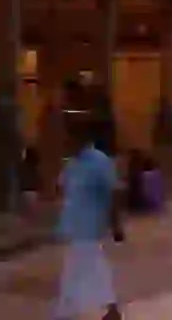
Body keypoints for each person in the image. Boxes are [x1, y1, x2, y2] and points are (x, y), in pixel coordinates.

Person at [54, 117, 125, 320]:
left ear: (82, 138)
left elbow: (113, 193)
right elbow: (62, 186)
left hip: (89, 226)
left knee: (77, 269)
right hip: (74, 224)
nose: (67, 142)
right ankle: (109, 309)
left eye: (70, 138)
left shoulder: (100, 162)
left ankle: (66, 312)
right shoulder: (73, 163)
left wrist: (115, 224)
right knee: (89, 268)